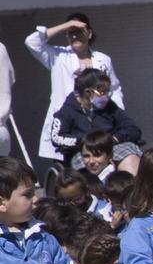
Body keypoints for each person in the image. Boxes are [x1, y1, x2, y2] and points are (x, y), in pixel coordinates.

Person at [24, 14, 125, 163]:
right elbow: (32, 42)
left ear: (89, 33)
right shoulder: (58, 56)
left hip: (99, 122)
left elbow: (114, 88)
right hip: (69, 124)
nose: (75, 36)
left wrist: (117, 112)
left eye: (80, 31)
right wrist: (66, 25)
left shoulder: (103, 59)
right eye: (71, 33)